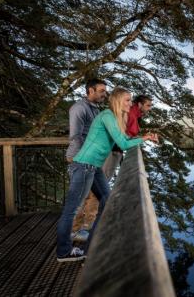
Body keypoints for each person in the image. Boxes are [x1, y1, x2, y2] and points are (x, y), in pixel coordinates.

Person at [56, 87, 158, 262]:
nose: (130, 103)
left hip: (93, 167)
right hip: (84, 165)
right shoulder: (108, 116)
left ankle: (92, 246)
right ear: (118, 101)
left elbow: (124, 140)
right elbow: (124, 144)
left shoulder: (115, 118)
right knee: (70, 211)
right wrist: (146, 139)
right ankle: (63, 252)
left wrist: (143, 137)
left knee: (107, 201)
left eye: (131, 100)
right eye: (127, 100)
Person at [66, 79, 107, 242]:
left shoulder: (95, 109)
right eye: (102, 90)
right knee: (80, 198)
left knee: (99, 197)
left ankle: (87, 230)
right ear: (91, 90)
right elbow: (76, 136)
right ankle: (74, 232)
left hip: (93, 160)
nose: (105, 94)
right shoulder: (79, 108)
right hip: (80, 158)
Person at [101, 94, 154, 179]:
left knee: (102, 179)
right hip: (113, 150)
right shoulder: (130, 114)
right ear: (140, 104)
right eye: (148, 105)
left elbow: (128, 135)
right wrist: (144, 138)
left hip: (115, 149)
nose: (149, 108)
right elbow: (124, 135)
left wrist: (145, 137)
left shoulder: (135, 116)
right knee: (103, 178)